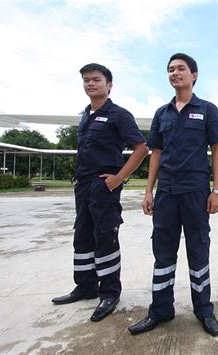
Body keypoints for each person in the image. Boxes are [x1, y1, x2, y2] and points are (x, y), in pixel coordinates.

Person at [128, 53, 218, 337]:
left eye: (181, 68)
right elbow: (155, 153)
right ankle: (160, 310)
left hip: (195, 192)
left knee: (198, 250)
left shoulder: (207, 110)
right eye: (170, 69)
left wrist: (217, 190)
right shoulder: (162, 113)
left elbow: (217, 150)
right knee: (163, 252)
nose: (175, 73)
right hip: (167, 192)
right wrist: (148, 190)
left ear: (194, 75)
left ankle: (204, 311)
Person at [52, 63, 148, 322]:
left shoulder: (118, 114)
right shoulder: (85, 116)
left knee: (105, 237)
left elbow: (141, 149)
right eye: (86, 80)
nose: (90, 84)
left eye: (96, 79)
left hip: (103, 186)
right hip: (82, 186)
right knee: (82, 236)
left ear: (109, 85)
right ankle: (85, 286)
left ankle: (109, 292)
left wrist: (118, 178)